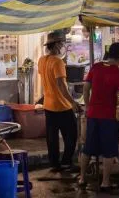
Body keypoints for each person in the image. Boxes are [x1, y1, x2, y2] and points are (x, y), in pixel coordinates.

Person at [78, 43, 119, 191]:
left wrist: (88, 106)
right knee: (108, 150)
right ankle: (105, 182)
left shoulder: (96, 67)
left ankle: (82, 178)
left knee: (88, 148)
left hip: (93, 115)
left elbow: (86, 88)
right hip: (108, 117)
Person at [38, 31, 79, 172]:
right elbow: (61, 85)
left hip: (48, 105)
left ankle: (54, 163)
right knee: (72, 134)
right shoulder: (58, 62)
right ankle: (67, 162)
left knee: (52, 137)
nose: (63, 46)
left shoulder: (42, 60)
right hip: (62, 105)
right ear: (55, 45)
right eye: (61, 43)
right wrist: (73, 102)